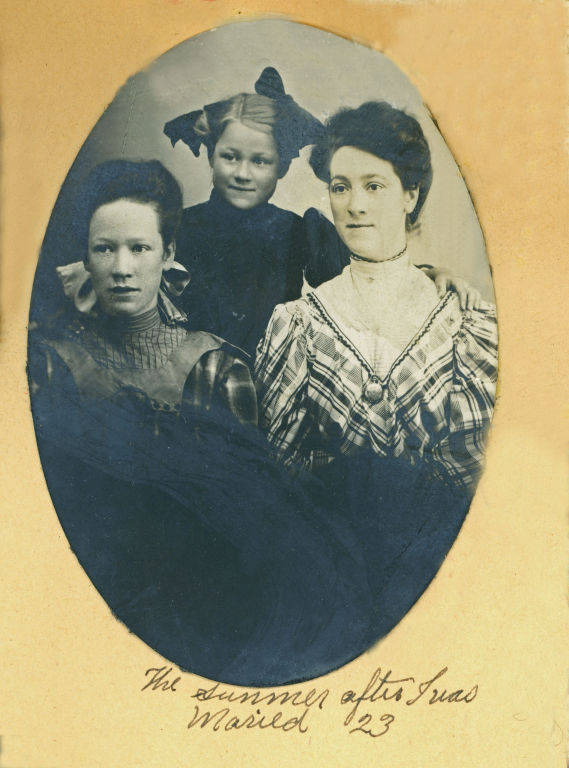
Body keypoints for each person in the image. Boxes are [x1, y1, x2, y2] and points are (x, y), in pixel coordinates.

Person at [28, 159, 380, 686]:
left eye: (140, 248)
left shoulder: (216, 367)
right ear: (86, 257)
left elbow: (250, 525)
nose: (122, 267)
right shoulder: (49, 366)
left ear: (168, 255)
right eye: (105, 248)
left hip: (207, 607)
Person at [255, 101, 498, 495]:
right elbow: (280, 479)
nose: (355, 205)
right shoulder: (297, 324)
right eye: (340, 187)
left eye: (373, 186)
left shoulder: (465, 325)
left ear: (410, 196)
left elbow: (476, 482)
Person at [164, 67, 481, 358]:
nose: (243, 173)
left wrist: (428, 274)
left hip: (270, 376)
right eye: (230, 157)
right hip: (188, 375)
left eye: (260, 161)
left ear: (282, 167)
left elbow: (364, 274)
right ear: (211, 157)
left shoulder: (296, 230)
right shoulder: (180, 226)